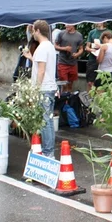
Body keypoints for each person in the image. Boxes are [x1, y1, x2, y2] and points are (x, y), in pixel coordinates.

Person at [25, 19, 58, 158]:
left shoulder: (42, 47)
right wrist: (31, 58)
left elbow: (41, 71)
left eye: (33, 30)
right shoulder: (49, 46)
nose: (32, 33)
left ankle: (48, 152)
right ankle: (48, 150)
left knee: (45, 121)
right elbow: (42, 65)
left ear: (38, 31)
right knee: (48, 120)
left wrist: (35, 89)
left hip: (43, 88)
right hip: (49, 87)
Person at [54, 24, 84, 93]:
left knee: (70, 85)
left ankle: (68, 100)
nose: (66, 25)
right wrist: (65, 48)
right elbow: (55, 46)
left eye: (68, 24)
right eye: (65, 24)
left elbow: (81, 49)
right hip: (62, 62)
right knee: (64, 84)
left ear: (73, 24)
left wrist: (77, 54)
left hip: (73, 63)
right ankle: (63, 100)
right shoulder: (61, 34)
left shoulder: (79, 35)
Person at [84, 22, 106, 89]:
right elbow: (87, 47)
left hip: (104, 60)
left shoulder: (108, 32)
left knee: (101, 84)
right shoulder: (92, 32)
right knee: (90, 82)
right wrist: (91, 50)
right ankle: (90, 99)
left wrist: (101, 47)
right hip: (92, 60)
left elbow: (111, 46)